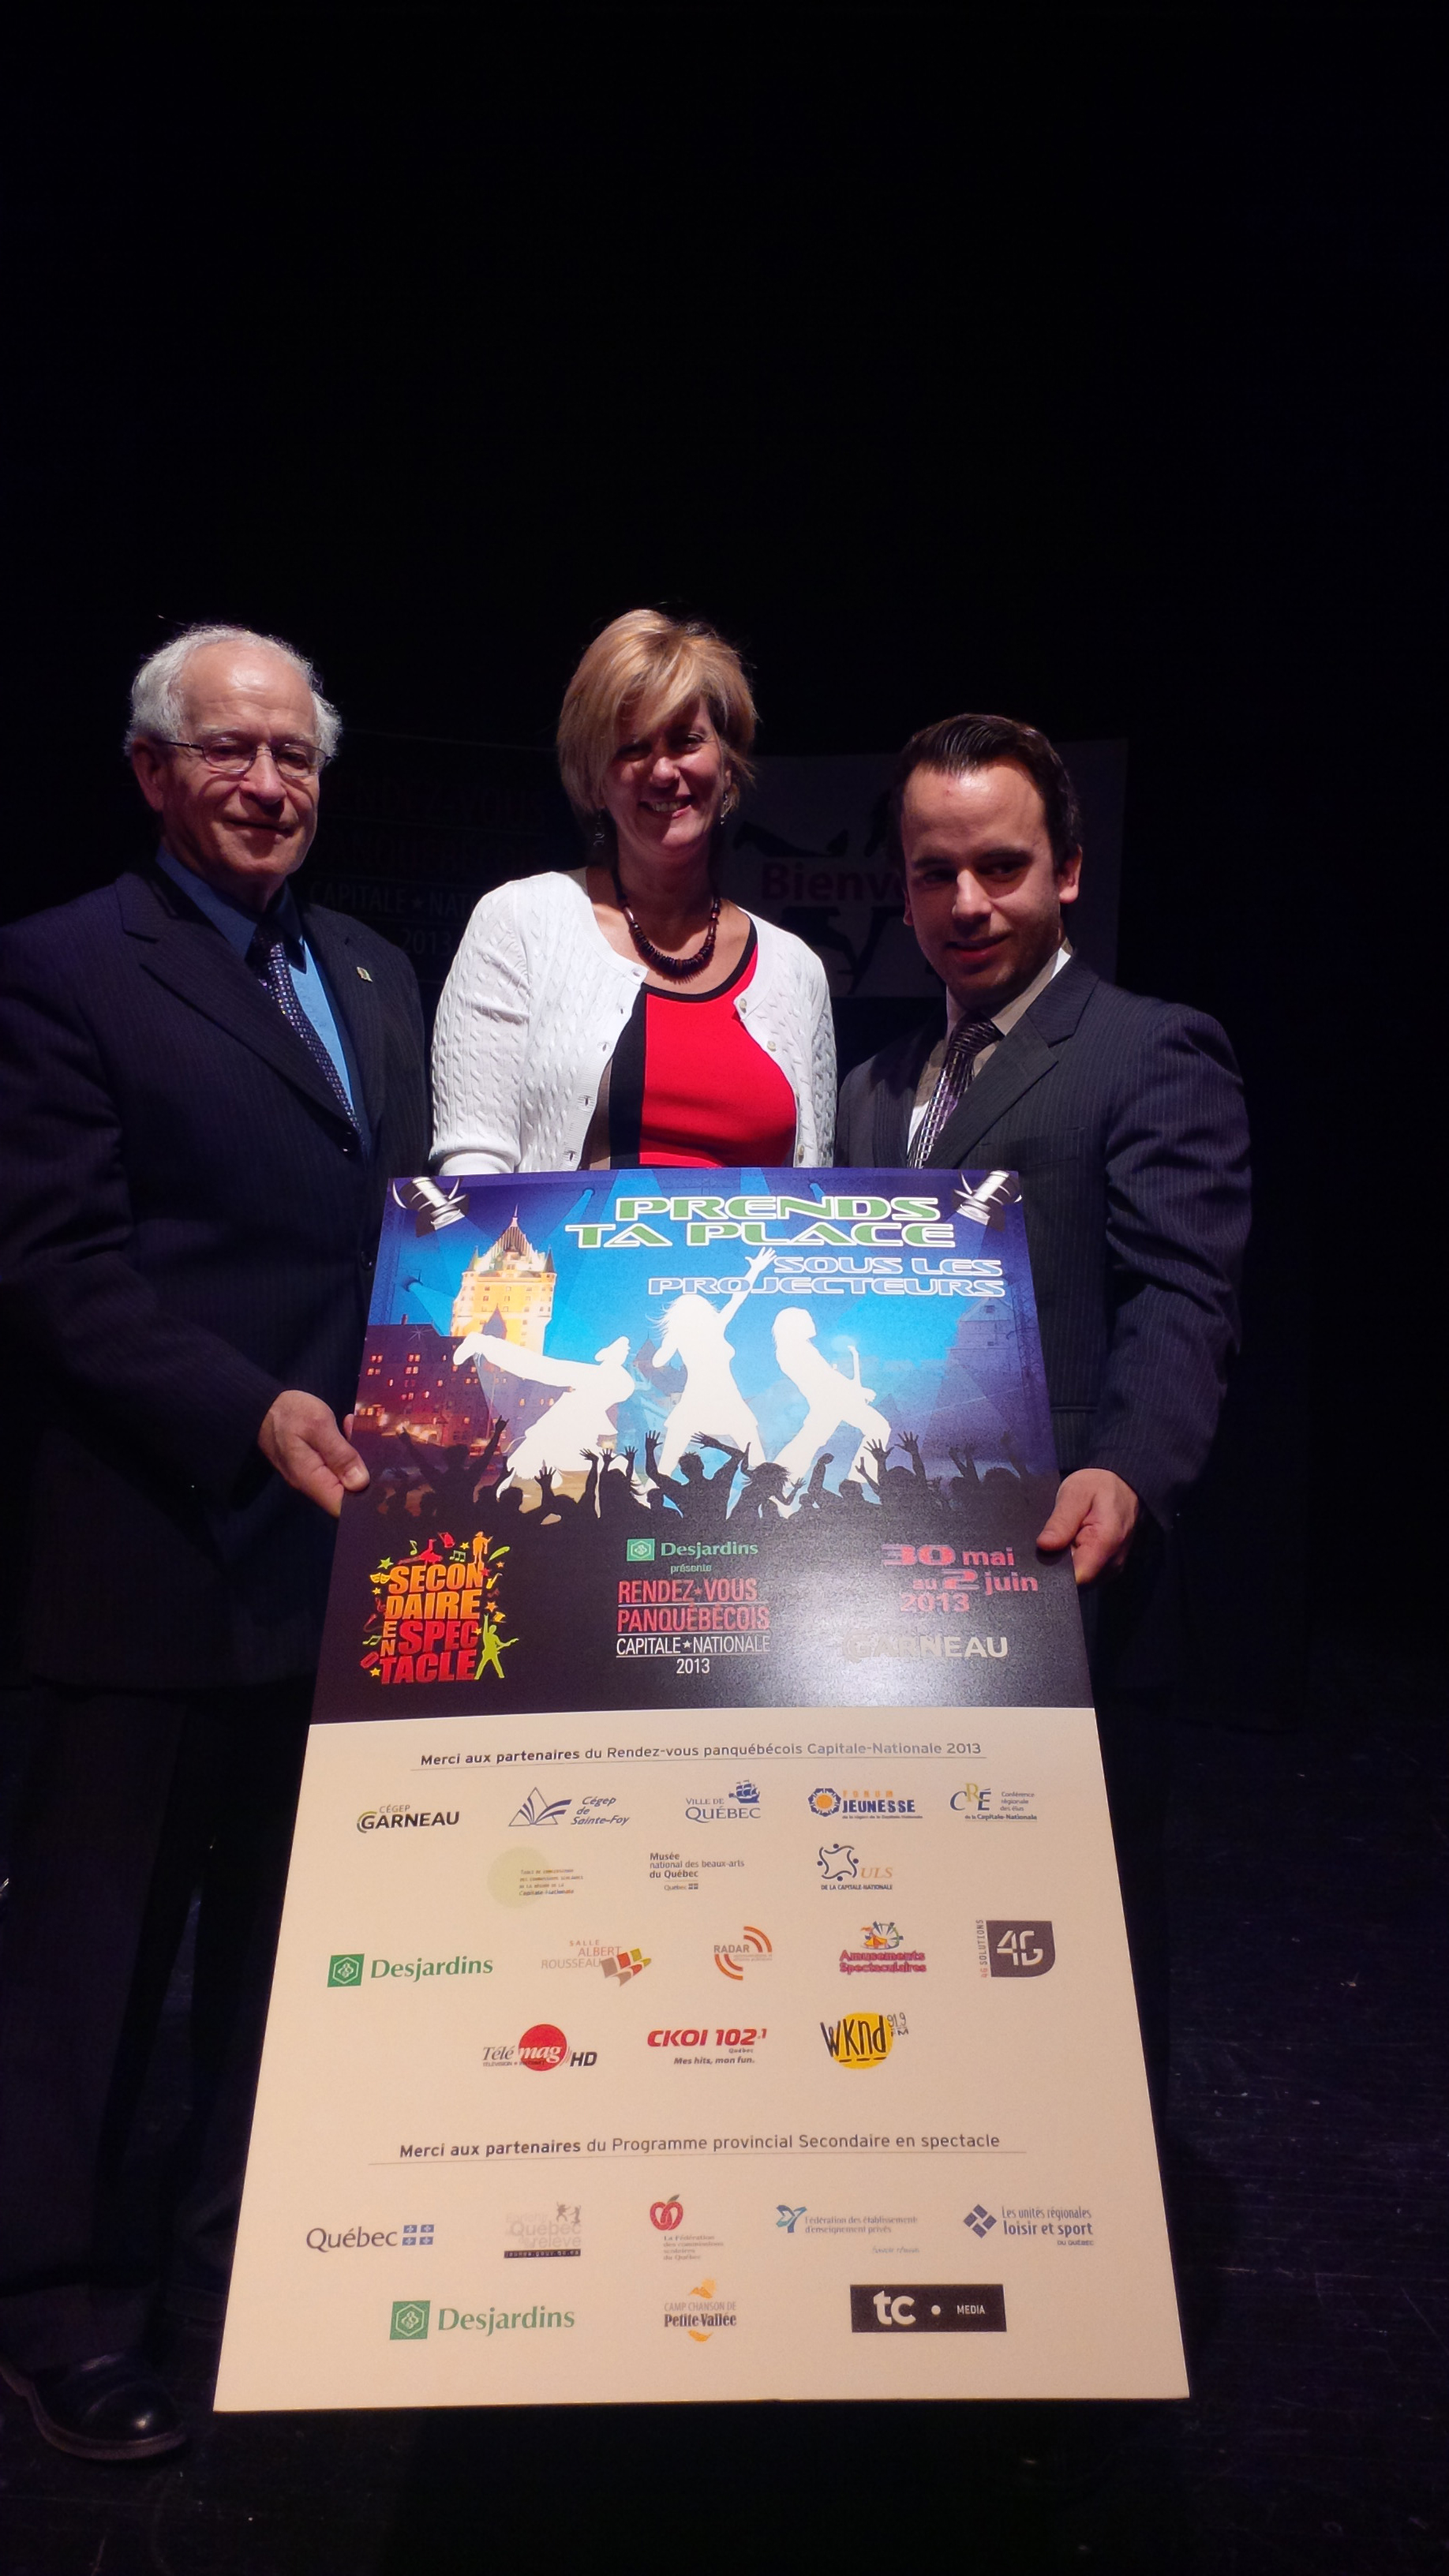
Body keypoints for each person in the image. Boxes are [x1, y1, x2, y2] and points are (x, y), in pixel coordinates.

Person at [0, 624, 428, 2460]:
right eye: (229, 752)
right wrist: (249, 1407)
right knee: (93, 1968)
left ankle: (239, 2274)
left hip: (346, 1557)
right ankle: (53, 2307)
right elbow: (56, 1269)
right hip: (148, 1549)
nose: (269, 784)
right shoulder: (62, 968)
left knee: (286, 1957)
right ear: (152, 772)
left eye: (296, 757)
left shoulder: (374, 968)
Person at [837, 712, 1251, 2095]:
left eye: (1001, 866)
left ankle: (1113, 2292)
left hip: (1065, 1580)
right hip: (878, 1607)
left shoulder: (1148, 1049)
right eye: (932, 870)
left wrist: (1130, 1468)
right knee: (893, 1961)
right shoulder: (871, 1084)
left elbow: (1184, 1295)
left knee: (1074, 1976)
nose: (965, 902)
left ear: (1068, 868)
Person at [431, 609, 835, 1173]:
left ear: (727, 766)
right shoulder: (520, 923)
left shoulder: (797, 970)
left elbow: (815, 1192)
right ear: (595, 780)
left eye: (686, 740)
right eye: (633, 748)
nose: (664, 771)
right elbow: (472, 1167)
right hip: (560, 1262)